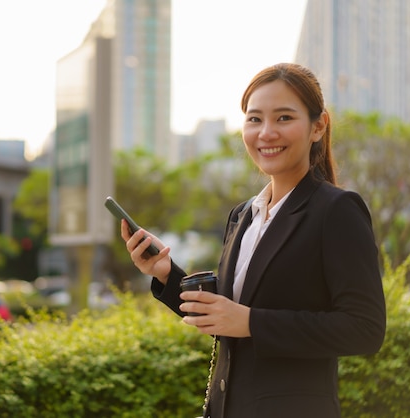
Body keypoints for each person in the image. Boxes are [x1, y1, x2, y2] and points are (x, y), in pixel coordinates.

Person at [120, 63, 386, 418]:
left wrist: (250, 322)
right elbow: (226, 316)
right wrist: (167, 273)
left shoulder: (336, 210)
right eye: (255, 119)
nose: (266, 133)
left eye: (284, 118)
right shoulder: (243, 215)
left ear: (317, 126)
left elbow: (365, 329)